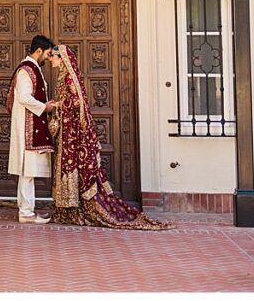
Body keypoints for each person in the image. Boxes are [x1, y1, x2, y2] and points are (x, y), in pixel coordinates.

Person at [49, 44, 172, 230]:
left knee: (73, 165)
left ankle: (77, 209)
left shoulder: (68, 78)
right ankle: (68, 210)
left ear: (62, 59)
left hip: (72, 133)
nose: (50, 59)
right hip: (67, 132)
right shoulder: (63, 77)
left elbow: (76, 103)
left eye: (53, 56)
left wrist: (58, 105)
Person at [5, 34, 59, 224]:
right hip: (27, 127)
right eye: (48, 53)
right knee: (27, 171)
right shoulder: (26, 71)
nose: (48, 57)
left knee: (27, 172)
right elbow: (24, 97)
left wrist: (45, 105)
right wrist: (45, 107)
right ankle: (26, 213)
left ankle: (26, 211)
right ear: (38, 50)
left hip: (31, 124)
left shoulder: (33, 69)